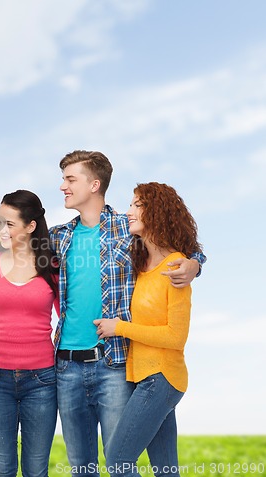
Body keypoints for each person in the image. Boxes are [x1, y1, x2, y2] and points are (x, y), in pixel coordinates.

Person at [48, 150, 206, 477]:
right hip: (66, 365)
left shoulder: (127, 227)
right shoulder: (58, 237)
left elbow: (182, 248)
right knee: (83, 468)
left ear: (94, 184)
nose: (62, 186)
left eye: (69, 179)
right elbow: (14, 244)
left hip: (114, 363)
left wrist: (195, 264)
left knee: (119, 461)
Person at [96, 182, 202, 477]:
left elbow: (175, 336)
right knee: (166, 471)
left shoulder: (175, 267)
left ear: (156, 212)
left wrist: (121, 328)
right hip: (146, 378)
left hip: (162, 378)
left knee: (118, 461)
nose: (129, 211)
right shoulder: (141, 264)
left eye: (136, 205)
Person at [0, 190, 59, 477]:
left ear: (31, 226)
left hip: (42, 381)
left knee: (36, 470)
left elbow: (69, 318)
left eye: (9, 224)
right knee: (2, 470)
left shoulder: (52, 265)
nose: (2, 230)